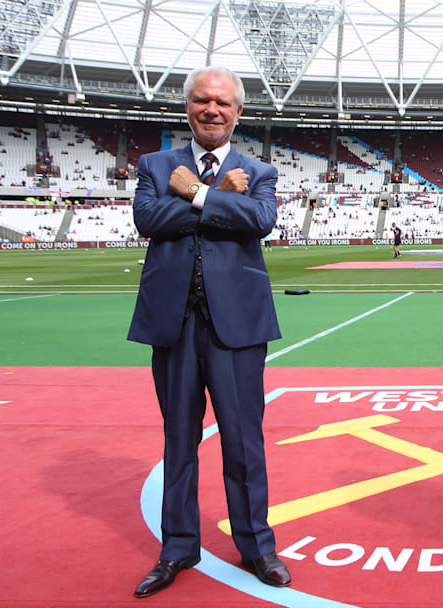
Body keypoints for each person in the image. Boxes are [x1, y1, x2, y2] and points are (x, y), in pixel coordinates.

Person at [127, 65, 290, 598]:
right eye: (202, 101)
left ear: (238, 111)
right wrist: (221, 196)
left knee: (244, 441)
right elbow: (148, 221)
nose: (212, 110)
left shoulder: (257, 170)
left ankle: (256, 545)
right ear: (188, 107)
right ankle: (177, 546)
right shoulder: (155, 164)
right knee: (179, 439)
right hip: (172, 322)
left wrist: (197, 192)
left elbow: (259, 221)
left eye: (222, 102)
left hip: (237, 326)